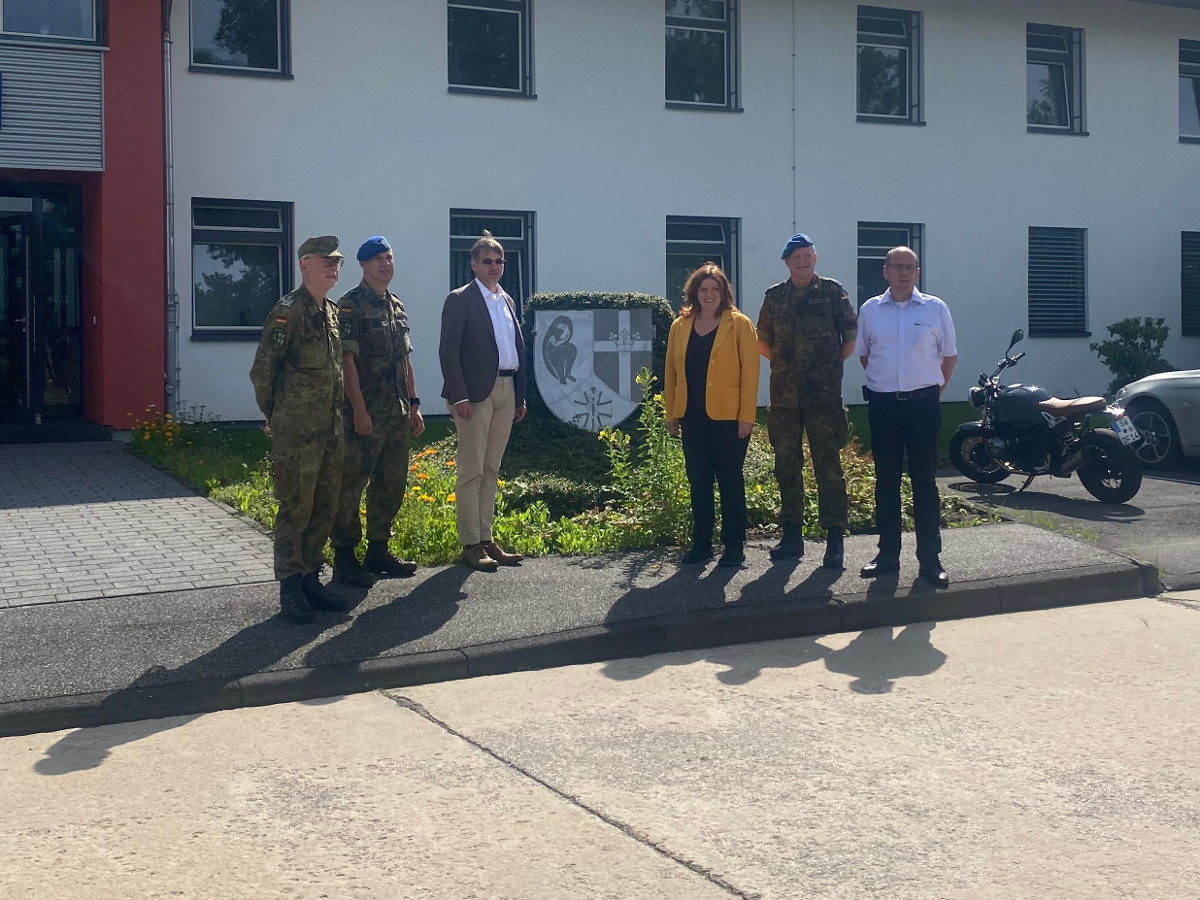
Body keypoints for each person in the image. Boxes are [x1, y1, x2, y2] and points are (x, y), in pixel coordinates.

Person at [249, 235, 348, 623]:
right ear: (304, 264)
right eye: (325, 260)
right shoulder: (288, 312)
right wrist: (275, 414)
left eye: (337, 262)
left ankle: (310, 577)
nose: (333, 267)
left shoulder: (333, 312)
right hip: (297, 430)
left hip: (330, 428)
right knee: (296, 506)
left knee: (325, 505)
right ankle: (290, 587)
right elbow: (263, 369)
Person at [854, 246, 957, 587]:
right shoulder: (870, 310)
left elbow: (949, 357)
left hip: (923, 406)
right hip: (884, 406)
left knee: (924, 483)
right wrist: (892, 387)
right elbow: (865, 357)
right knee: (886, 482)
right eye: (895, 266)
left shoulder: (935, 308)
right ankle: (887, 557)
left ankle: (930, 559)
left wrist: (927, 391)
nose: (902, 272)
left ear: (918, 272)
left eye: (908, 267)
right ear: (884, 271)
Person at [329, 235, 426, 587]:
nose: (386, 264)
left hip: (397, 412)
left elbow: (405, 360)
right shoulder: (351, 305)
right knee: (352, 484)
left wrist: (414, 404)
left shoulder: (395, 305)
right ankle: (344, 557)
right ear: (363, 266)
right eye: (378, 259)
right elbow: (346, 361)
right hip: (366, 413)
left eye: (389, 257)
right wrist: (359, 410)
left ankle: (379, 550)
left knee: (391, 483)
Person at [757, 233, 858, 568]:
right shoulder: (774, 296)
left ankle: (834, 538)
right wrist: (788, 366)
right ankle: (792, 536)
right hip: (785, 398)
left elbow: (850, 337)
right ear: (787, 262)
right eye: (796, 257)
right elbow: (763, 340)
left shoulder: (831, 292)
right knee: (787, 467)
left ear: (816, 258)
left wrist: (825, 368)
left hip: (824, 396)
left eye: (808, 256)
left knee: (828, 466)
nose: (802, 261)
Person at [438, 230, 527, 572]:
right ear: (473, 264)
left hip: (506, 390)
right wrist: (458, 394)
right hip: (474, 394)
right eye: (487, 261)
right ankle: (471, 544)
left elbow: (515, 350)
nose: (494, 266)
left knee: (492, 469)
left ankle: (487, 539)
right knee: (472, 469)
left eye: (499, 260)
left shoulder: (507, 301)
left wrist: (520, 396)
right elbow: (448, 351)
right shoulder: (460, 299)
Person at [665, 264, 760, 568]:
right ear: (695, 292)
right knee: (699, 483)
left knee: (730, 482)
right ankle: (702, 545)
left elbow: (751, 374)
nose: (709, 295)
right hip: (692, 417)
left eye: (714, 290)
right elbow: (670, 372)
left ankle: (734, 547)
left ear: (723, 293)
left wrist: (747, 416)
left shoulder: (740, 324)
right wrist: (672, 412)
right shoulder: (680, 326)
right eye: (703, 290)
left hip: (729, 419)